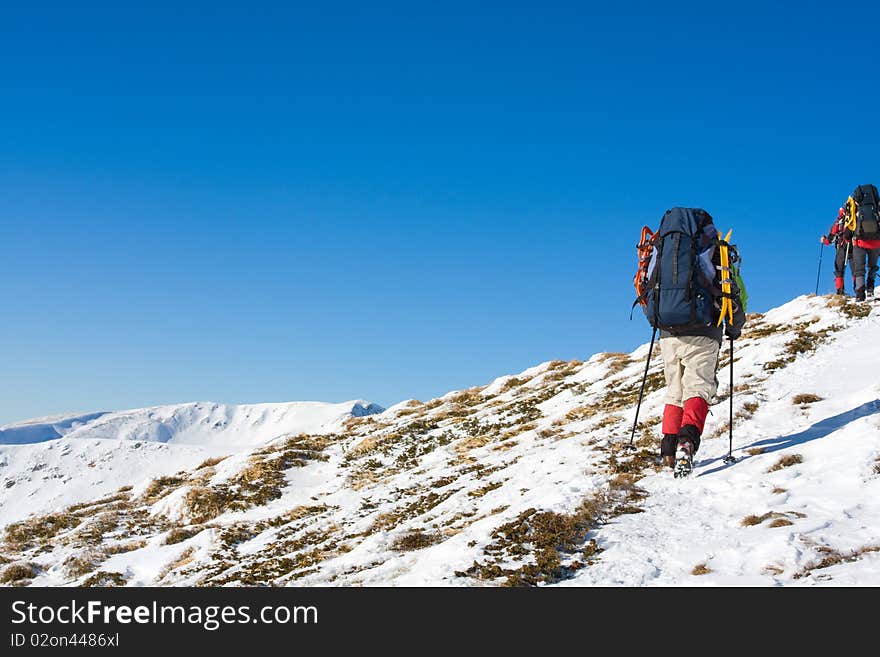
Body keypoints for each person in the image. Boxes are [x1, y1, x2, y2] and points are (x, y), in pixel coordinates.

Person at [652, 210, 747, 475]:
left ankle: (668, 451)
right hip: (704, 330)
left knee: (675, 390)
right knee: (698, 388)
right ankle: (686, 442)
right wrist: (735, 327)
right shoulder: (716, 250)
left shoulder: (665, 246)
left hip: (668, 331)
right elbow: (734, 291)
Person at [848, 185, 880, 301]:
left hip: (859, 241)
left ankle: (860, 295)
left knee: (859, 269)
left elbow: (849, 225)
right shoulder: (877, 206)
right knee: (872, 267)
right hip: (876, 242)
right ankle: (870, 290)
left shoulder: (854, 208)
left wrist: (848, 238)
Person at [821, 207, 853, 295]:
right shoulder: (854, 220)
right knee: (856, 270)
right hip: (854, 246)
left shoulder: (838, 222)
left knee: (839, 269)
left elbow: (829, 239)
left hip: (842, 247)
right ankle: (859, 292)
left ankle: (840, 291)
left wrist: (824, 240)